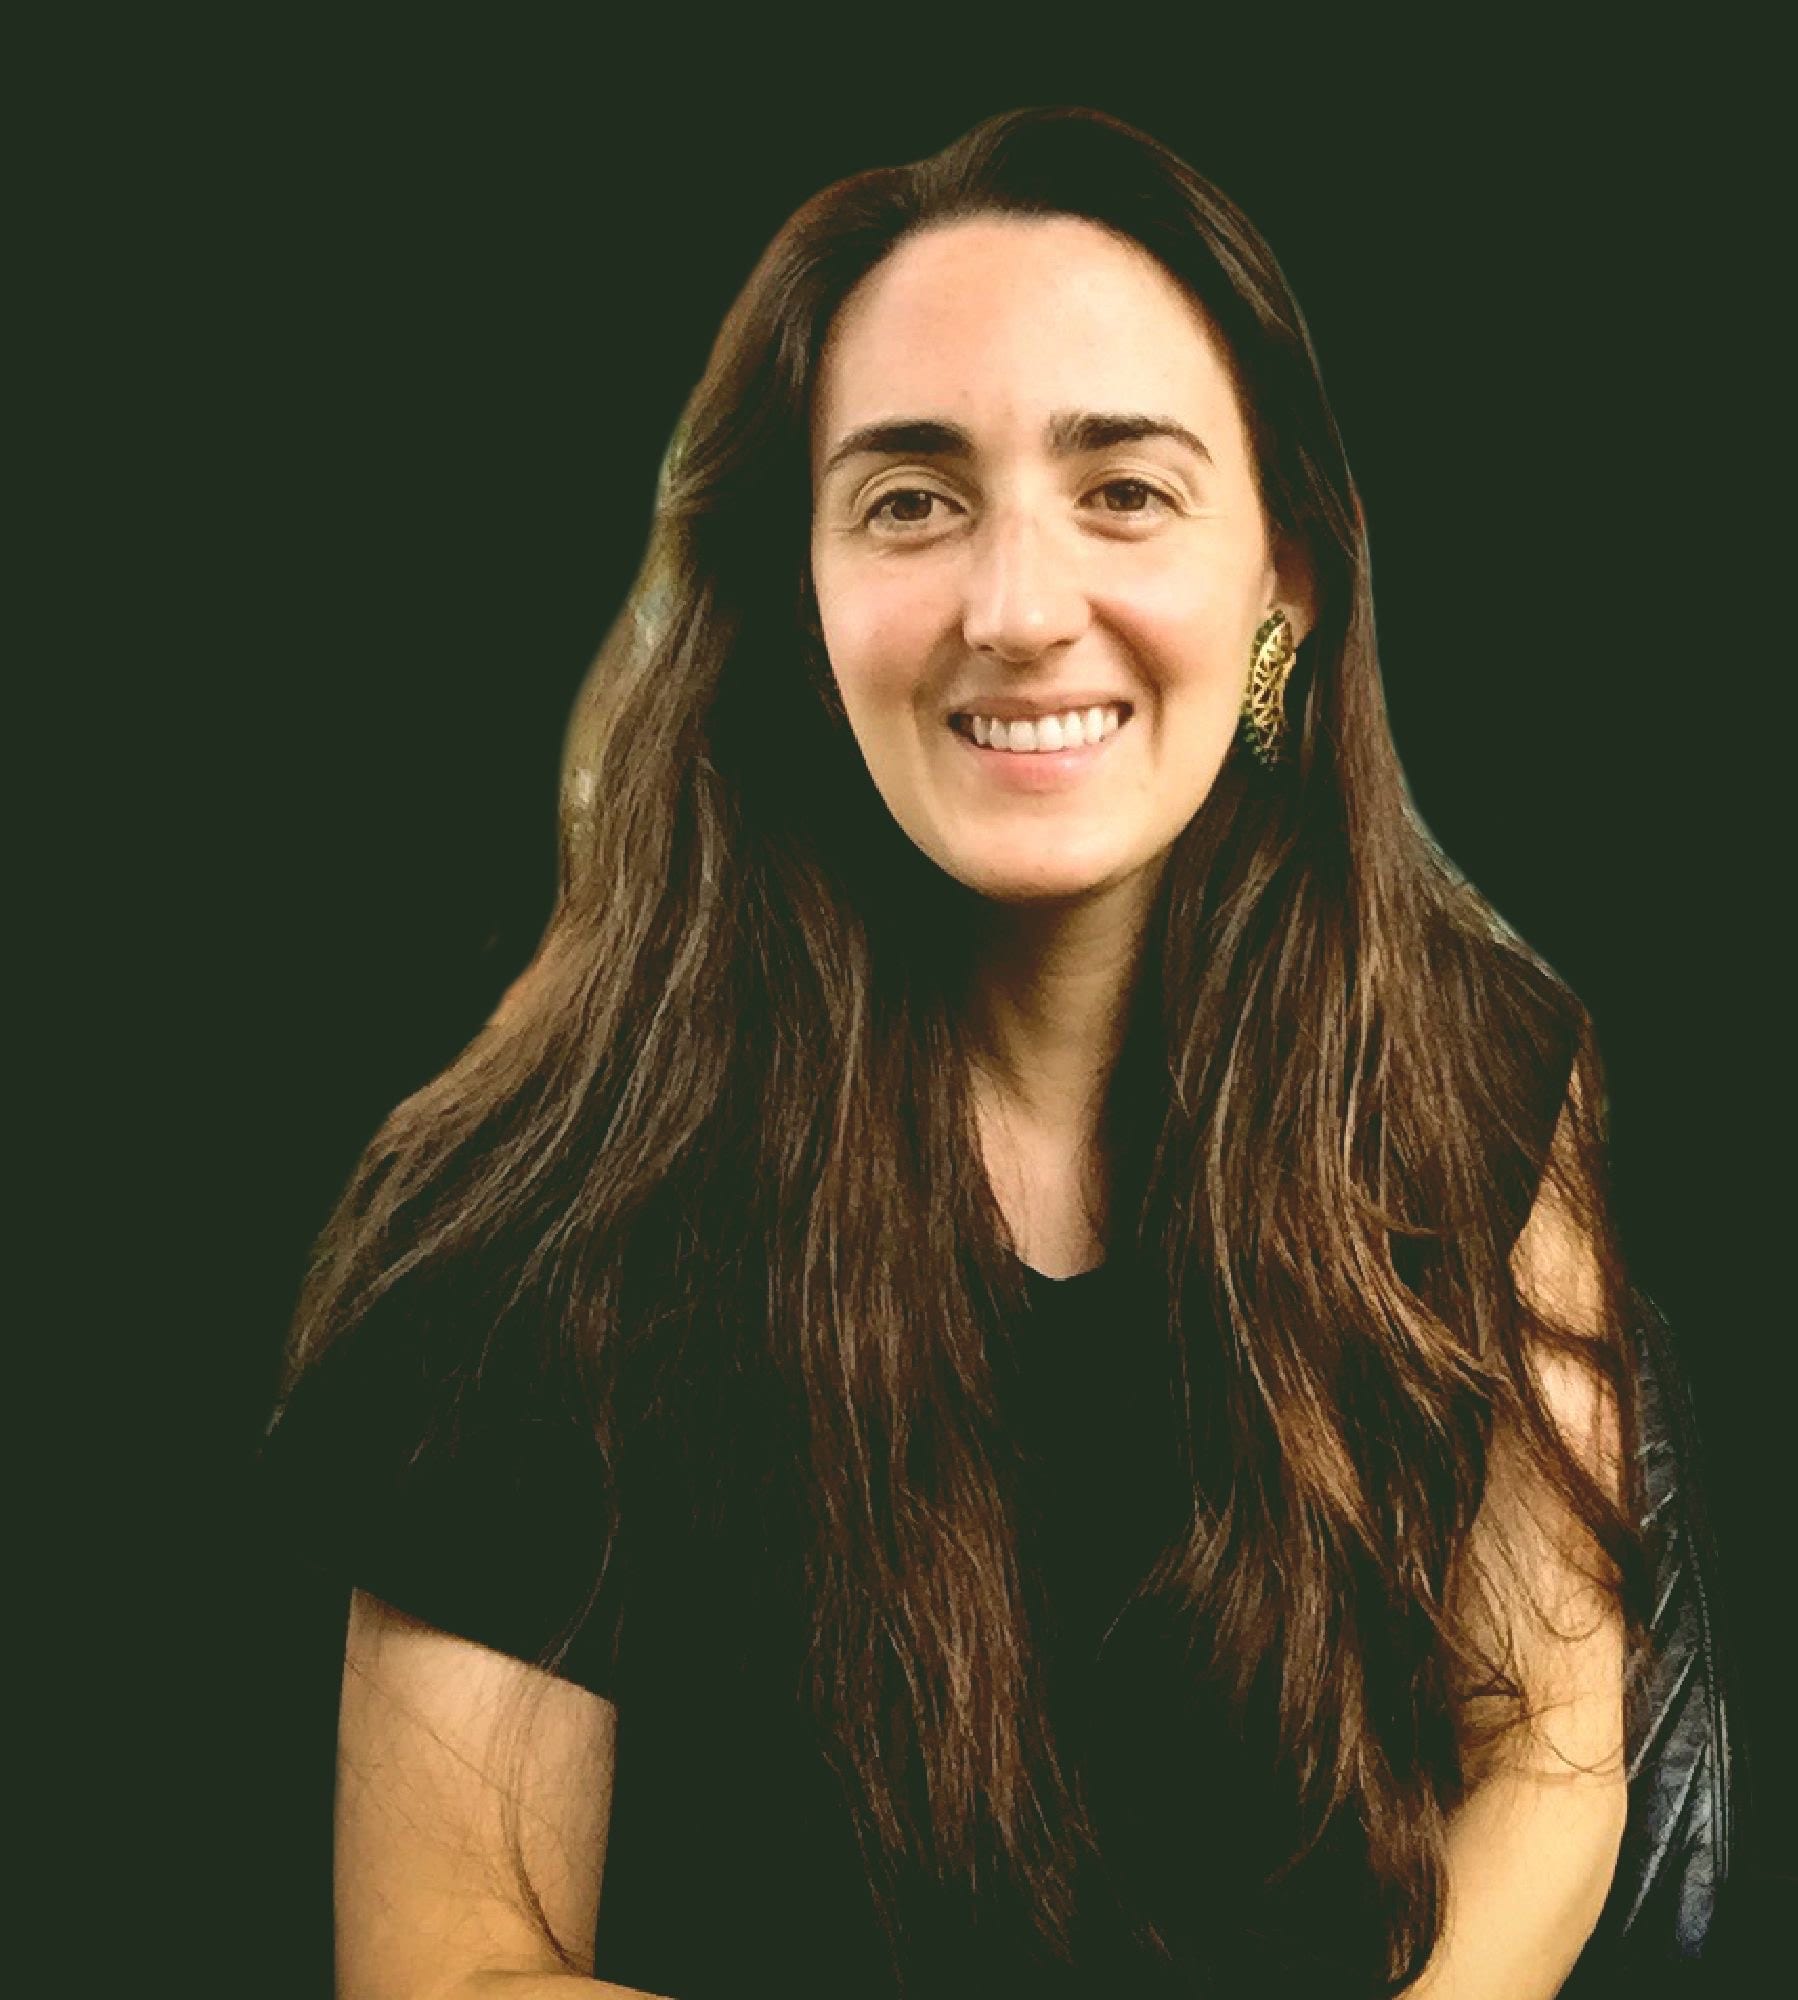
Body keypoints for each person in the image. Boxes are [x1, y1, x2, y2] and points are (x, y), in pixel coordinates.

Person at [261, 105, 1669, 1999]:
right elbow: (446, 1965)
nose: (1016, 611)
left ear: (1285, 585)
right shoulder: (535, 1211)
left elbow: (1551, 1764)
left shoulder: (1477, 1075)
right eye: (911, 500)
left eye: (1126, 491)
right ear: (800, 596)